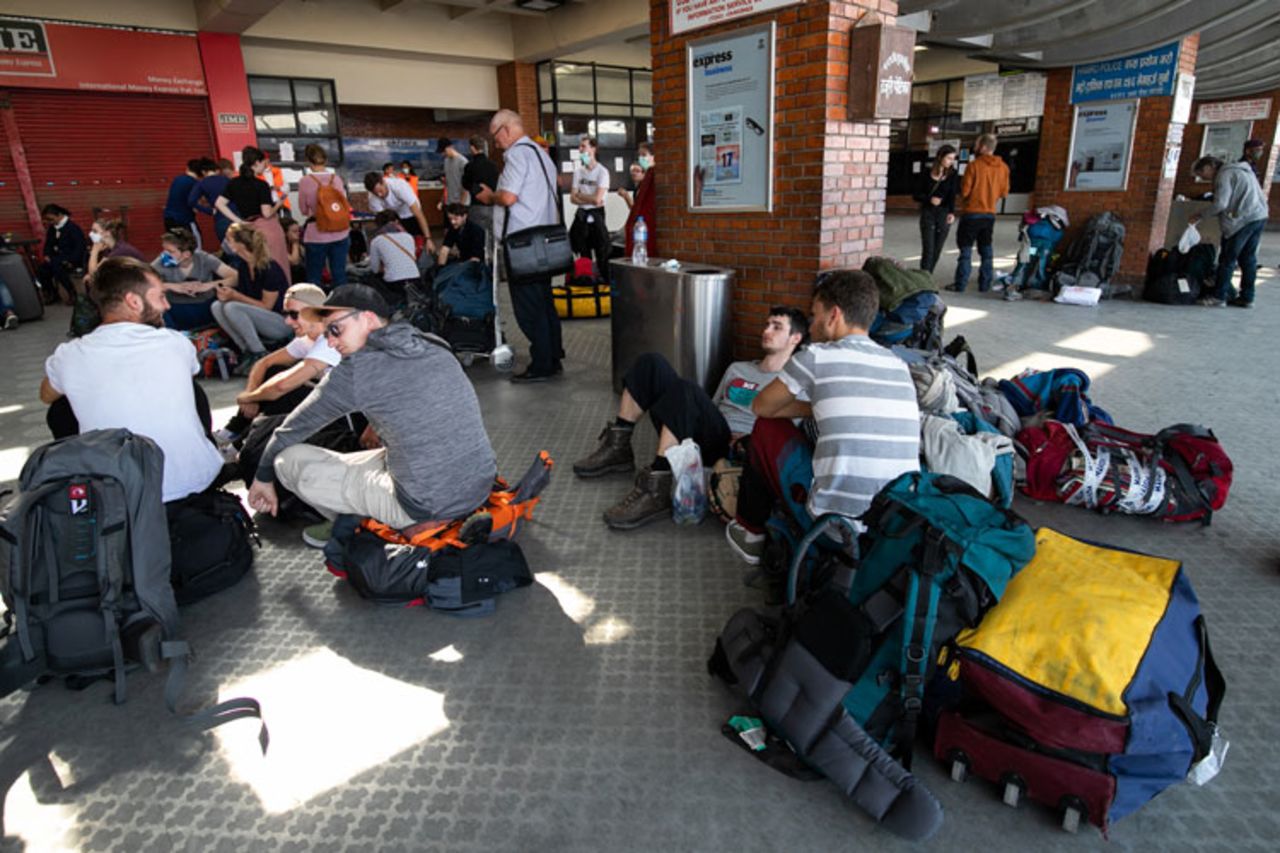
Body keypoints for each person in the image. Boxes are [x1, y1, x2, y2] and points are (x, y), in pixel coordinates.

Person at [245, 284, 497, 548]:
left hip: (427, 505)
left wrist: (262, 478)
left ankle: (369, 526)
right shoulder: (432, 342)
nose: (330, 341)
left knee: (287, 461)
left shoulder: (356, 371)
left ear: (367, 318)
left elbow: (291, 430)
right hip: (479, 484)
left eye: (335, 329)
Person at [725, 271, 920, 566]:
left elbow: (762, 406)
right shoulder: (898, 365)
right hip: (898, 524)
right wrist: (822, 405)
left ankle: (750, 534)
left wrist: (815, 404)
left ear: (834, 316)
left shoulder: (817, 356)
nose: (812, 324)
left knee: (767, 428)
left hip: (837, 528)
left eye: (815, 315)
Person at [574, 307, 809, 530]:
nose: (766, 331)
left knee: (686, 389)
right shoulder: (738, 368)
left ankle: (656, 487)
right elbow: (714, 407)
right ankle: (618, 448)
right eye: (767, 324)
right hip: (713, 434)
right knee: (651, 363)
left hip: (739, 451)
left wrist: (748, 442)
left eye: (776, 327)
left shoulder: (793, 386)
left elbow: (786, 436)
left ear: (795, 338)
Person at [39, 257, 223, 503]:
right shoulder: (175, 343)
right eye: (160, 297)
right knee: (192, 388)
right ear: (134, 302)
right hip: (196, 481)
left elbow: (45, 395)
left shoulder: (69, 354)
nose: (167, 306)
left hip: (119, 497)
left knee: (61, 407)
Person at [474, 108, 564, 383]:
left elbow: (509, 197)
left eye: (496, 135)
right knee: (545, 301)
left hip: (523, 244)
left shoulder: (516, 154)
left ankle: (542, 365)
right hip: (545, 241)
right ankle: (553, 356)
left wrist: (490, 197)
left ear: (508, 129)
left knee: (528, 306)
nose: (496, 143)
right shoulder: (542, 155)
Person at [215, 283, 342, 445]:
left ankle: (245, 442)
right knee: (274, 372)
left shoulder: (328, 340)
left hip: (344, 415)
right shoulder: (308, 338)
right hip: (329, 404)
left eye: (294, 314)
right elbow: (264, 363)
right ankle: (235, 431)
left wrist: (248, 397)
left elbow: (282, 386)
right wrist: (251, 396)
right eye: (286, 314)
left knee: (287, 391)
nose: (288, 321)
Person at [1188, 156, 1270, 308]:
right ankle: (1247, 297)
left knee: (1227, 260)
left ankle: (1219, 296)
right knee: (1248, 259)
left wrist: (1200, 215)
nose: (1203, 178)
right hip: (1259, 215)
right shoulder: (1243, 169)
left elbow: (1220, 203)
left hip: (1241, 221)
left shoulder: (1224, 175)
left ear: (1208, 167)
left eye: (1201, 174)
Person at [212, 223, 290, 370]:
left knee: (232, 306)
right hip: (259, 318)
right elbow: (246, 299)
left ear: (240, 244)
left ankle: (259, 352)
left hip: (280, 322)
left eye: (229, 240)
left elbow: (267, 306)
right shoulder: (243, 266)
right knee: (217, 306)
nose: (226, 244)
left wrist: (235, 296)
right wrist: (228, 295)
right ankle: (246, 350)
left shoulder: (269, 268)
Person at [215, 145, 291, 285]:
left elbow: (219, 204)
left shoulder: (234, 183)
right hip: (268, 228)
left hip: (249, 228)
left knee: (257, 267)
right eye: (263, 163)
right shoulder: (261, 185)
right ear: (256, 163)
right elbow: (267, 213)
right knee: (277, 266)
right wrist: (281, 201)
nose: (265, 166)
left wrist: (238, 221)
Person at [947, 134, 1009, 294]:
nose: (975, 147)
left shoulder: (974, 166)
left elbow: (965, 191)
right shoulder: (1003, 168)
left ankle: (960, 284)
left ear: (983, 147)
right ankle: (984, 285)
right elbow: (1004, 193)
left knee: (966, 251)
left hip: (971, 213)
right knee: (986, 250)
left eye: (976, 145)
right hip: (989, 214)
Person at [151, 228, 237, 330]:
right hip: (176, 309)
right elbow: (143, 284)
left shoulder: (204, 258)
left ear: (186, 254)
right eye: (164, 249)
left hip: (205, 307)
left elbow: (235, 277)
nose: (164, 254)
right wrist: (170, 286)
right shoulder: (160, 262)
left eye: (170, 251)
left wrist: (208, 285)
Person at [296, 144, 350, 288]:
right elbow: (344, 204)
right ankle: (342, 305)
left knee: (314, 276)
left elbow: (303, 210)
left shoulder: (305, 181)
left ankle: (317, 307)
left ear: (308, 161)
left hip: (316, 235)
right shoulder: (336, 179)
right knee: (339, 274)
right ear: (325, 160)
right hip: (340, 232)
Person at [569, 136, 611, 276]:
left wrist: (581, 195)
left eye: (583, 146)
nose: (580, 149)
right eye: (580, 147)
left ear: (593, 148)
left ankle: (603, 281)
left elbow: (597, 200)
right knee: (583, 250)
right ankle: (586, 280)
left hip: (597, 214)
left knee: (601, 250)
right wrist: (587, 198)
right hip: (582, 215)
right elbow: (572, 198)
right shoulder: (578, 172)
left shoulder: (602, 172)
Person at [915, 145, 959, 274]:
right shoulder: (926, 173)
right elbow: (916, 194)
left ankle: (929, 274)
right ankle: (924, 276)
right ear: (940, 157)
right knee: (928, 248)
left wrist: (952, 212)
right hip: (928, 213)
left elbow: (952, 195)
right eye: (949, 158)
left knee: (937, 248)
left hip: (944, 213)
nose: (951, 161)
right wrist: (929, 199)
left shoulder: (953, 175)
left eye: (953, 159)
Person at [366, 211, 422, 304]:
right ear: (396, 222)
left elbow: (375, 269)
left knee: (371, 278)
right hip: (415, 279)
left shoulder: (376, 241)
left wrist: (384, 267)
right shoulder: (409, 237)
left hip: (393, 283)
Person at [37, 204, 87, 305]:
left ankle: (72, 292)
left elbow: (80, 248)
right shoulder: (52, 229)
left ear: (59, 215)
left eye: (51, 219)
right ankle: (51, 293)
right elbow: (48, 244)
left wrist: (71, 261)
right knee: (42, 269)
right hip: (56, 258)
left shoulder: (73, 228)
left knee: (57, 267)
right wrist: (47, 254)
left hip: (70, 258)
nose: (49, 222)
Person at [363, 171, 432, 238]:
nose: (379, 195)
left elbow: (419, 214)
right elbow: (381, 221)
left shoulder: (399, 186)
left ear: (384, 182)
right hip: (394, 215)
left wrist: (428, 238)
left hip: (409, 212)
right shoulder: (372, 198)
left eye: (380, 191)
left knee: (417, 238)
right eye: (376, 193)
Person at [461, 135, 500, 238]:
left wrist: (478, 191)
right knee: (493, 237)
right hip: (493, 207)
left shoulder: (470, 166)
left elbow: (465, 184)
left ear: (472, 148)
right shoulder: (494, 165)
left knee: (477, 237)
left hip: (476, 206)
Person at [190, 158, 235, 245]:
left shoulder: (202, 183)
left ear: (203, 172)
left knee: (229, 249)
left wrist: (209, 211)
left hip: (220, 218)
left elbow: (191, 201)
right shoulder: (227, 180)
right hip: (236, 216)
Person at [623, 141, 657, 258]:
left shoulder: (652, 176)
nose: (640, 158)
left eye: (644, 155)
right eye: (639, 155)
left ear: (653, 156)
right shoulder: (645, 179)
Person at [163, 159, 203, 249]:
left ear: (188, 168)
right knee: (195, 245)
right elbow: (194, 205)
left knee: (174, 246)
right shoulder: (194, 183)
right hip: (184, 220)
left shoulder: (178, 179)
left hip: (169, 218)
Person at [436, 203, 485, 267]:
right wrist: (440, 268)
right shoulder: (453, 228)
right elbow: (445, 249)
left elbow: (476, 258)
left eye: (455, 219)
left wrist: (461, 268)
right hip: (462, 260)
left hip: (476, 264)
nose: (452, 222)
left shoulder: (476, 231)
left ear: (464, 216)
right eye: (450, 219)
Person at [436, 137, 469, 215]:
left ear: (450, 147)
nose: (443, 154)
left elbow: (466, 186)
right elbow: (447, 184)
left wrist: (461, 206)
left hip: (461, 203)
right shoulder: (446, 161)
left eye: (444, 151)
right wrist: (442, 200)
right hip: (449, 203)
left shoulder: (463, 162)